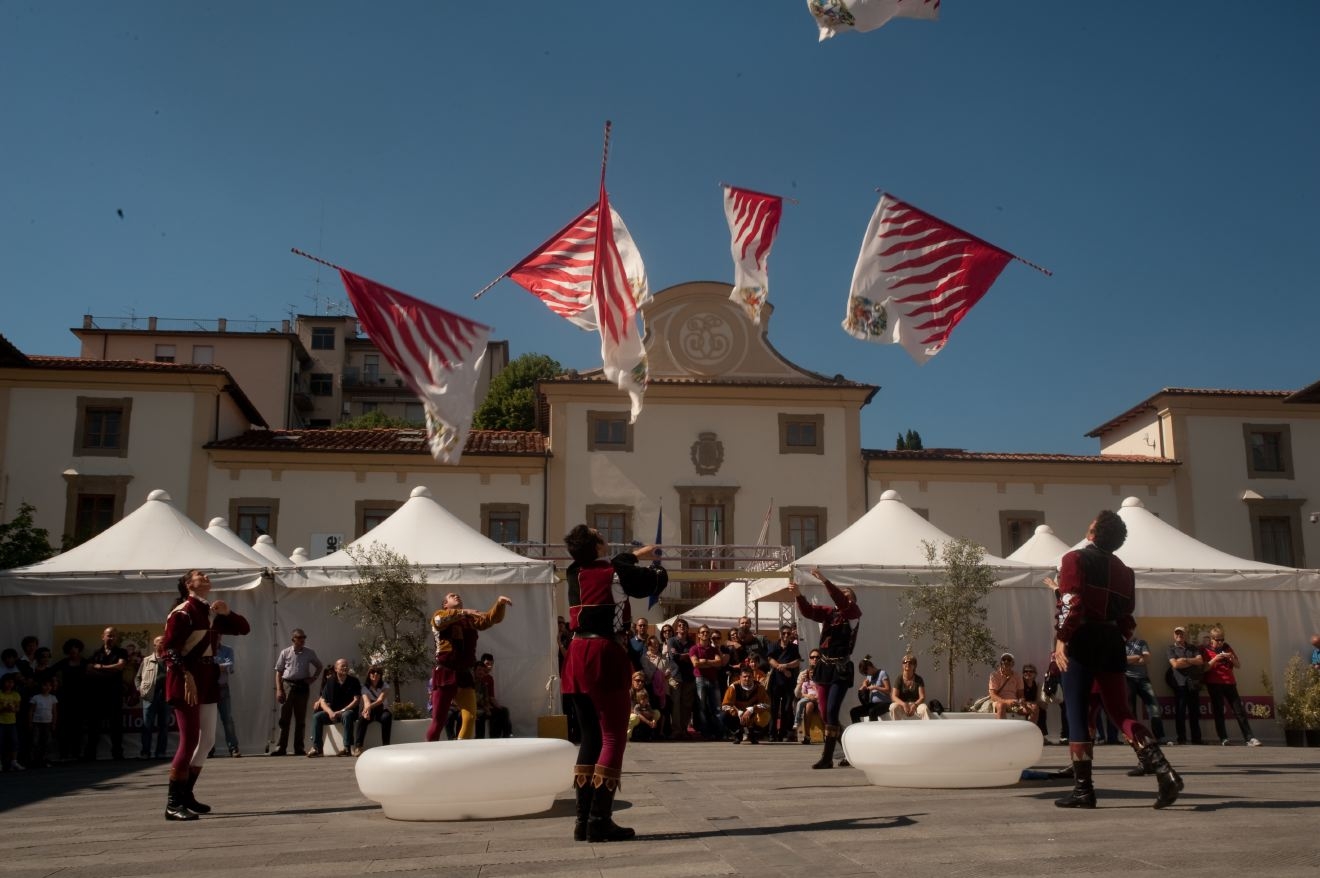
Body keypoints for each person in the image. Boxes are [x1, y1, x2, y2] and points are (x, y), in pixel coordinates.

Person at [1053, 511, 1181, 810]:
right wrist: (1116, 638)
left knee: (1076, 713)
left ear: (1095, 532)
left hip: (1083, 639)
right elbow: (1126, 617)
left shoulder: (1074, 559)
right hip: (1111, 641)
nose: (1088, 525)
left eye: (1092, 523)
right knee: (1121, 713)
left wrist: (1062, 639)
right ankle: (1165, 771)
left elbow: (1071, 603)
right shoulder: (1125, 570)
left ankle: (1084, 790)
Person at [562, 523, 668, 843]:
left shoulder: (573, 571)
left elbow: (611, 566)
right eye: (598, 534)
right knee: (612, 738)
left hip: (576, 653)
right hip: (604, 653)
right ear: (595, 546)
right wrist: (655, 564)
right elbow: (653, 582)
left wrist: (633, 555)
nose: (603, 535)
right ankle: (600, 820)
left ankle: (582, 821)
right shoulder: (614, 574)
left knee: (589, 739)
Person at [162, 569, 251, 820]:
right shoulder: (182, 612)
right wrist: (185, 674)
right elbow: (168, 650)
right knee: (189, 740)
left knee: (208, 740)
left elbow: (244, 628)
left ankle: (186, 795)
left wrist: (227, 612)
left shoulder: (209, 612)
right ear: (189, 584)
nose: (207, 577)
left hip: (207, 681)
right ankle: (172, 804)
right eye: (200, 575)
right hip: (186, 680)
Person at [788, 568, 861, 769]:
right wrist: (798, 595)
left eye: (847, 596)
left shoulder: (854, 614)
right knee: (825, 713)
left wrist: (826, 581)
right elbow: (809, 611)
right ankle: (847, 752)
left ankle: (827, 757)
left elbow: (841, 600)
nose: (842, 598)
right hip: (824, 667)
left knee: (831, 711)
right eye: (842, 594)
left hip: (841, 668)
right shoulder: (831, 613)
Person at [424, 591, 512, 742]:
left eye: (458, 595)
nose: (457, 596)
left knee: (471, 717)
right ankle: (429, 753)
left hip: (464, 675)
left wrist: (500, 604)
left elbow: (491, 618)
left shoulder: (470, 619)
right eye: (452, 596)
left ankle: (459, 750)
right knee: (438, 721)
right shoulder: (440, 614)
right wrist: (464, 612)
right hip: (445, 673)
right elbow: (438, 621)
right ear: (445, 604)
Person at [1201, 626, 1262, 747]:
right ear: (1211, 639)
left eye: (1222, 639)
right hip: (1214, 683)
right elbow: (1204, 668)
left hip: (1230, 683)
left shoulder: (1227, 647)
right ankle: (1223, 738)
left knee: (1239, 711)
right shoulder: (1205, 650)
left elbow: (1238, 665)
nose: (1220, 642)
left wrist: (1231, 658)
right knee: (1219, 711)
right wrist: (1215, 659)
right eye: (1217, 640)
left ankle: (1249, 738)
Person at [272, 629, 322, 756]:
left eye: (304, 637)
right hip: (288, 685)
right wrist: (279, 689)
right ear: (293, 639)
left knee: (300, 718)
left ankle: (299, 747)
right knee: (284, 718)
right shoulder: (285, 652)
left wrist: (313, 678)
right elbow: (279, 671)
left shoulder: (309, 652)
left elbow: (319, 666)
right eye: (300, 637)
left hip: (302, 686)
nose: (302, 640)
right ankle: (281, 747)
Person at [85, 627, 128, 760]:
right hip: (97, 694)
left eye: (114, 636)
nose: (111, 638)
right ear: (103, 636)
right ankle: (90, 754)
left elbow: (120, 666)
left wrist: (102, 668)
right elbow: (89, 670)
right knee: (94, 725)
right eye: (109, 636)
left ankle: (117, 753)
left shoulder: (121, 652)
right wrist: (110, 670)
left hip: (114, 694)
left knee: (116, 725)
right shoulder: (96, 653)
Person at [309, 659, 361, 757]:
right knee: (317, 716)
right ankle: (317, 748)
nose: (345, 668)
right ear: (336, 668)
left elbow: (356, 700)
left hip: (347, 712)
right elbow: (323, 701)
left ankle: (347, 748)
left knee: (347, 715)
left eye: (346, 666)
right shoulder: (330, 681)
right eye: (342, 666)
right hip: (333, 713)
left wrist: (342, 711)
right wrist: (330, 712)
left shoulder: (354, 681)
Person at [1124, 634, 1167, 743]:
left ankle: (1159, 737)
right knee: (1131, 709)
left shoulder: (1141, 642)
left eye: (1130, 629)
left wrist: (1130, 659)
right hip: (1127, 679)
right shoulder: (1120, 644)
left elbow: (1147, 659)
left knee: (1154, 708)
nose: (1129, 631)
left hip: (1143, 679)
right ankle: (1135, 737)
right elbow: (1121, 660)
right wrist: (1138, 656)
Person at [1166, 626, 1205, 745]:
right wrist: (1191, 661)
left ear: (1185, 635)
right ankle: (1181, 739)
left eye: (1181, 634)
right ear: (1174, 635)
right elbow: (1175, 665)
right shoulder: (1170, 648)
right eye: (1177, 634)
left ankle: (1196, 739)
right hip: (1179, 684)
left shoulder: (1193, 648)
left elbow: (1200, 661)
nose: (1179, 636)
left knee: (1194, 712)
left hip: (1193, 683)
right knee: (1180, 712)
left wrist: (1185, 660)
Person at [689, 625, 727, 740]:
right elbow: (695, 664)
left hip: (713, 680)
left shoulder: (713, 649)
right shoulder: (694, 649)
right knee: (702, 707)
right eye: (703, 632)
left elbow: (719, 662)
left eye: (707, 632)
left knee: (717, 707)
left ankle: (720, 733)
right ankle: (705, 733)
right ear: (699, 634)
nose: (705, 634)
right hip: (700, 679)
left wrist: (705, 661)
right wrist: (711, 663)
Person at [134, 636, 169, 759]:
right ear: (155, 645)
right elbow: (137, 678)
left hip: (166, 698)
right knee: (147, 726)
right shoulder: (147, 660)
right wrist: (140, 689)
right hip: (149, 698)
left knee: (163, 727)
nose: (163, 643)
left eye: (164, 642)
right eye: (160, 642)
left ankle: (161, 752)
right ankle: (145, 752)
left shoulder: (170, 660)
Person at [766, 625, 801, 741]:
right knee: (774, 708)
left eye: (788, 633)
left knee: (786, 709)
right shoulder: (773, 645)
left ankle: (782, 733)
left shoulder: (794, 647)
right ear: (780, 634)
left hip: (789, 682)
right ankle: (772, 734)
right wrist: (783, 669)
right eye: (784, 633)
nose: (786, 635)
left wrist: (786, 666)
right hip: (775, 681)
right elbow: (770, 660)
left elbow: (797, 662)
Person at [721, 666, 771, 744]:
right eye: (744, 677)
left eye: (749, 676)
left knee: (766, 715)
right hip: (738, 716)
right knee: (724, 715)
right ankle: (738, 733)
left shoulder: (759, 687)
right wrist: (737, 712)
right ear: (740, 677)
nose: (747, 679)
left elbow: (767, 704)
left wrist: (752, 709)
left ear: (753, 677)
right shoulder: (733, 687)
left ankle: (753, 733)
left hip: (753, 715)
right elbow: (725, 705)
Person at [666, 619, 696, 739]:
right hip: (676, 676)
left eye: (684, 625)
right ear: (677, 629)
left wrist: (684, 655)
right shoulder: (672, 641)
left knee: (686, 705)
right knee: (676, 704)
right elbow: (674, 657)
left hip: (689, 677)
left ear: (687, 628)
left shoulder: (692, 642)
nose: (682, 627)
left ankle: (684, 730)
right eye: (680, 625)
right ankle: (676, 730)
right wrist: (688, 655)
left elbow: (694, 657)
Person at [353, 666, 392, 753]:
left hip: (382, 708)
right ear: (369, 674)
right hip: (370, 708)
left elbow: (380, 700)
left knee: (386, 717)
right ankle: (358, 747)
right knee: (362, 718)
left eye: (378, 673)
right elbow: (366, 701)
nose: (375, 674)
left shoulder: (385, 686)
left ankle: (386, 745)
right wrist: (366, 712)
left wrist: (368, 707)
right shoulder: (364, 687)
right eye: (373, 672)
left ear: (381, 675)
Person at [988, 653, 1036, 722]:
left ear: (1013, 663)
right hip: (999, 702)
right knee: (1002, 705)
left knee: (1034, 708)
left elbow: (1020, 695)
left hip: (1014, 703)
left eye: (1009, 660)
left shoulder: (1017, 676)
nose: (1006, 661)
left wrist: (1021, 700)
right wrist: (1006, 702)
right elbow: (993, 696)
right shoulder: (994, 675)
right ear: (1001, 662)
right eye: (1004, 659)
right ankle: (1002, 732)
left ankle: (1029, 731)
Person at [215, 635, 240, 757]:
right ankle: (207, 750)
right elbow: (202, 668)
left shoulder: (227, 649)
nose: (216, 637)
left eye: (218, 634)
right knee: (206, 721)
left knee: (227, 719)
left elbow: (230, 665)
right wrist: (220, 666)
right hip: (207, 689)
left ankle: (233, 748)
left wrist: (213, 667)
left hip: (222, 688)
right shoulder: (203, 649)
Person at [473, 660, 511, 739]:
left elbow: (487, 698)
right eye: (479, 670)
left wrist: (488, 708)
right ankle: (479, 739)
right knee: (481, 714)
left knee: (501, 711)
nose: (481, 672)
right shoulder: (470, 683)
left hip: (483, 707)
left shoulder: (484, 684)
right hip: (473, 708)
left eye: (483, 670)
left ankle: (499, 736)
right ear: (474, 670)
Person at [849, 656, 892, 724]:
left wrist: (875, 687)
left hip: (885, 703)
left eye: (866, 672)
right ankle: (859, 731)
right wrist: (864, 685)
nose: (866, 674)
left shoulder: (882, 673)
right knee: (853, 712)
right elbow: (865, 682)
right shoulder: (870, 676)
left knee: (872, 711)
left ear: (869, 667)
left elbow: (888, 690)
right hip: (873, 704)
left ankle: (873, 731)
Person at [27, 676, 58, 768]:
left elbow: (55, 711)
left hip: (47, 722)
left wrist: (54, 723)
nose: (47, 687)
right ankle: (33, 760)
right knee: (35, 741)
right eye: (45, 685)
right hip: (36, 722)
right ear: (41, 686)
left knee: (46, 742)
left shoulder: (53, 698)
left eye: (49, 685)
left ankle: (43, 759)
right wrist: (29, 722)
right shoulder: (36, 697)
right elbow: (31, 711)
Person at [889, 655, 931, 720]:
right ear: (902, 665)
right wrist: (903, 704)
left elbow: (922, 697)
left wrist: (915, 705)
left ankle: (927, 729)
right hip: (902, 704)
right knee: (893, 707)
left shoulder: (918, 679)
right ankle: (897, 728)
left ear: (914, 666)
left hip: (916, 704)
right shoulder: (899, 678)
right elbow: (894, 696)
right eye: (905, 662)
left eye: (910, 662)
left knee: (924, 708)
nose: (907, 664)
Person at [627, 672, 661, 742]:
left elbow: (649, 707)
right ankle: (627, 737)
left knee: (657, 712)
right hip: (632, 714)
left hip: (641, 712)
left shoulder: (644, 692)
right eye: (638, 680)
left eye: (642, 681)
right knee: (634, 717)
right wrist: (648, 721)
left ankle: (649, 733)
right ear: (632, 681)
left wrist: (653, 720)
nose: (640, 683)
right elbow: (633, 711)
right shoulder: (629, 692)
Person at [794, 653, 820, 740]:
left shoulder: (824, 673)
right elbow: (797, 694)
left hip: (821, 698)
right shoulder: (804, 674)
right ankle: (807, 735)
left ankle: (828, 735)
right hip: (809, 699)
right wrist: (801, 682)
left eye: (817, 657)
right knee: (808, 705)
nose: (815, 659)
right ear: (809, 659)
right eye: (812, 657)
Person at [0, 673, 20, 770]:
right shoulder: (0, 693)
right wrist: (4, 708)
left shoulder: (15, 695)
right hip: (1, 722)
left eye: (12, 682)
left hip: (12, 722)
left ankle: (14, 762)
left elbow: (18, 709)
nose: (9, 684)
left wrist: (13, 709)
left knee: (14, 742)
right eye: (7, 682)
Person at [1021, 663, 1048, 736]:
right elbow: (1020, 698)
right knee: (1035, 708)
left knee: (1042, 710)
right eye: (1025, 671)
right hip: (1022, 704)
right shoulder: (1020, 684)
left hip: (1032, 704)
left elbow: (1037, 699)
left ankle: (1042, 735)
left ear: (1035, 674)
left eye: (1031, 671)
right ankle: (1030, 733)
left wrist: (1042, 704)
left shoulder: (1036, 684)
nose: (1028, 673)